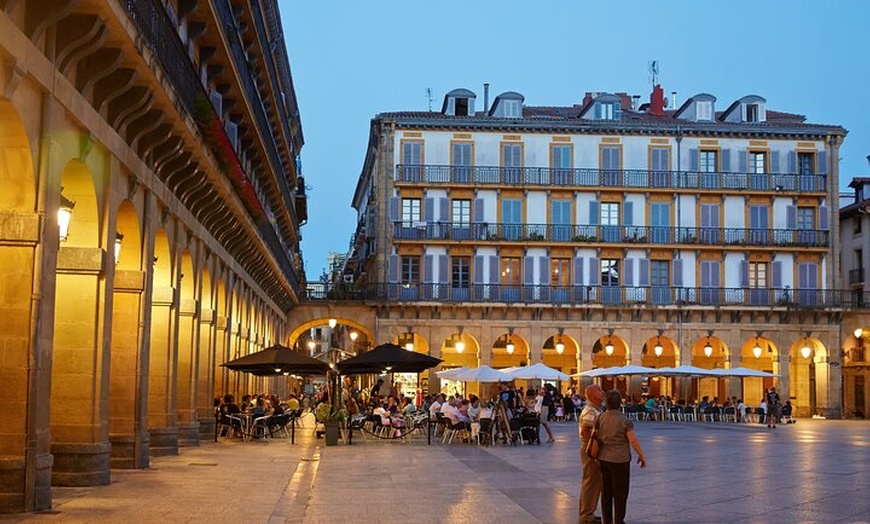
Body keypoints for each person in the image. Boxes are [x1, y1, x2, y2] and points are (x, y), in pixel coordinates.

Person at [598, 390, 647, 524]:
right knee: (620, 492)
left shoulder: (600, 417)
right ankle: (619, 520)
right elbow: (633, 440)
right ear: (620, 403)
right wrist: (641, 455)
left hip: (603, 457)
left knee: (606, 492)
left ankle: (607, 520)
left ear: (606, 403)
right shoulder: (624, 420)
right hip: (620, 460)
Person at [579, 384, 605, 523]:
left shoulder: (595, 409)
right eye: (600, 391)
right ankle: (586, 515)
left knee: (593, 482)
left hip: (591, 447)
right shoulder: (590, 410)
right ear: (592, 395)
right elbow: (585, 430)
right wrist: (593, 449)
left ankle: (588, 512)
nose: (603, 393)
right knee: (591, 482)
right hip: (590, 449)